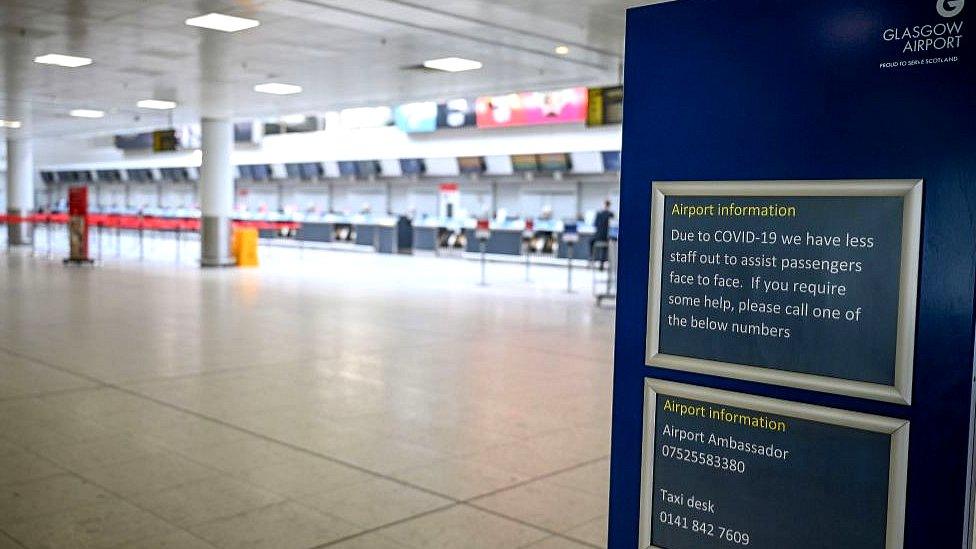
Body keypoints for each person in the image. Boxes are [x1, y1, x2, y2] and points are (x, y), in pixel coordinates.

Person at [592, 200, 615, 270]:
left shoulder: (599, 213)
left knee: (591, 242)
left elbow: (595, 224)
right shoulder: (611, 214)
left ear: (604, 204)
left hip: (598, 236)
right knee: (605, 248)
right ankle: (601, 264)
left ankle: (591, 258)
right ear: (609, 205)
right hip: (606, 237)